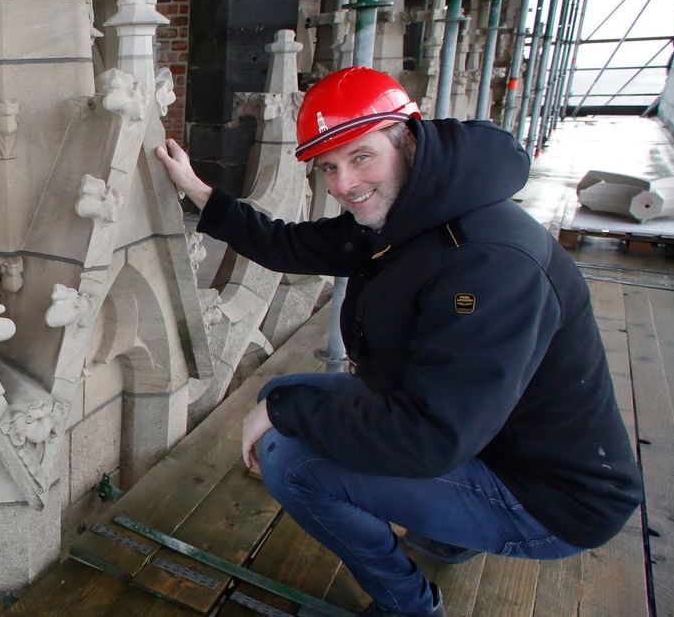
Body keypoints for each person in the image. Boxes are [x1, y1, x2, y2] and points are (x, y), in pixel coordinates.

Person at [155, 67, 642, 617]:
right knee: (287, 390)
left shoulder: (489, 266)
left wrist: (285, 412)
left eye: (362, 157)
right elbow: (292, 246)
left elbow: (429, 440)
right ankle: (452, 529)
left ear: (406, 137)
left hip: (546, 501)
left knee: (288, 458)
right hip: (483, 434)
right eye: (329, 167)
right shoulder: (415, 208)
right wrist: (201, 194)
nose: (342, 185)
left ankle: (407, 604)